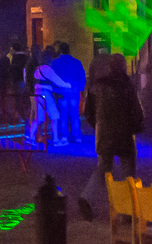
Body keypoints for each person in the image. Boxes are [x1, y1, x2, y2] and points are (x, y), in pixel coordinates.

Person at [77, 53, 145, 220]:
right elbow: (135, 111)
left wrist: (98, 127)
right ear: (123, 67)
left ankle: (87, 196)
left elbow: (89, 112)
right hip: (123, 134)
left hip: (104, 134)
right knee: (128, 173)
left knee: (102, 169)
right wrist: (137, 127)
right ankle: (126, 212)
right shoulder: (126, 86)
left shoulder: (97, 87)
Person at [50, 42, 86, 144]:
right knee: (75, 114)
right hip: (74, 92)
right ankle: (77, 136)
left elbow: (52, 77)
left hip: (61, 92)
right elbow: (82, 77)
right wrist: (80, 89)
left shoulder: (55, 63)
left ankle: (64, 135)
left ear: (60, 50)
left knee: (63, 114)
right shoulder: (77, 62)